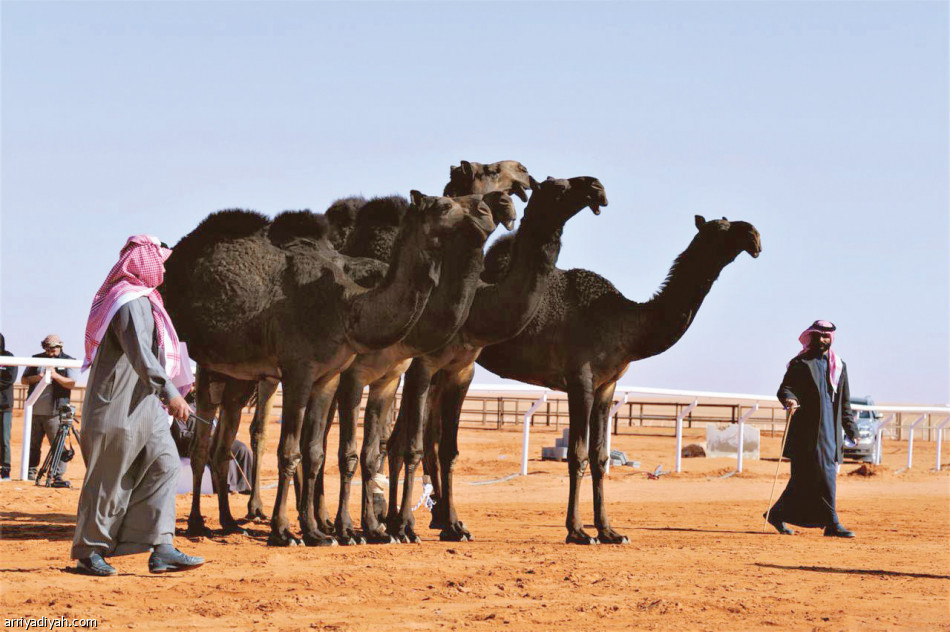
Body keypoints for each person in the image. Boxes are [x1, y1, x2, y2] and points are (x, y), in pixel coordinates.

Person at [71, 234, 204, 576]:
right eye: (159, 261)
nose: (163, 267)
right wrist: (171, 393)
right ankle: (89, 551)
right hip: (117, 406)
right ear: (144, 262)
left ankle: (161, 546)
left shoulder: (148, 301)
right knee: (107, 477)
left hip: (146, 405)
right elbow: (141, 355)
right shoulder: (127, 301)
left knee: (166, 464)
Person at [766, 320, 858, 538]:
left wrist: (851, 428)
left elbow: (844, 402)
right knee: (825, 476)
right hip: (807, 432)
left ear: (832, 338)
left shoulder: (840, 366)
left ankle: (777, 514)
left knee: (805, 479)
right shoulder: (801, 363)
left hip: (830, 432)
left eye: (826, 337)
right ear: (811, 337)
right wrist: (790, 399)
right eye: (818, 336)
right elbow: (785, 389)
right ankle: (832, 523)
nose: (822, 341)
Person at [21, 334, 78, 486]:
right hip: (34, 410)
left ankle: (57, 475)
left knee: (58, 445)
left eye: (53, 348)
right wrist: (38, 377)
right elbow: (24, 380)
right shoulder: (35, 359)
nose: (50, 351)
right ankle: (30, 471)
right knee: (33, 444)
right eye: (47, 348)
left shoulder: (68, 361)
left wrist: (55, 376)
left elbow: (71, 383)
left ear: (60, 347)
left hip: (56, 411)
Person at [0, 333, 18, 481]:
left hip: (5, 405)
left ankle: (5, 469)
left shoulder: (9, 357)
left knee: (5, 438)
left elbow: (9, 379)